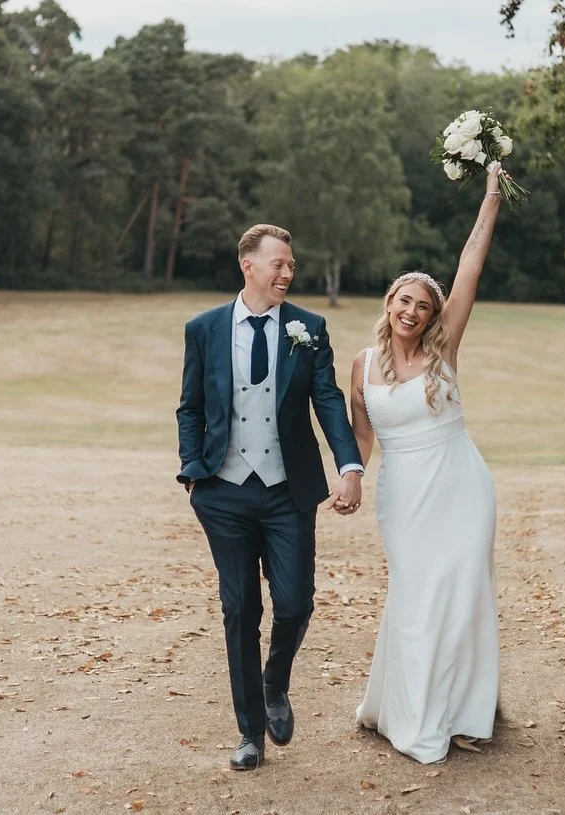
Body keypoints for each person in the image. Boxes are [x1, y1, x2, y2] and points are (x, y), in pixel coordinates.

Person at [176, 223, 365, 771]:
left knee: (296, 602)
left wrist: (348, 465)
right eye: (278, 264)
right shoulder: (205, 329)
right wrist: (193, 473)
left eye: (291, 265)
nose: (287, 273)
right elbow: (190, 406)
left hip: (287, 491)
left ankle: (275, 682)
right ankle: (250, 731)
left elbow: (328, 400)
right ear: (248, 265)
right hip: (223, 492)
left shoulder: (309, 327)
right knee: (239, 608)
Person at [351, 163, 507, 763]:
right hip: (404, 497)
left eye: (423, 305)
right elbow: (362, 439)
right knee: (416, 598)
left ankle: (467, 716)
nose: (412, 311)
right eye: (404, 300)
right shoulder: (363, 364)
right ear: (389, 302)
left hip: (462, 486)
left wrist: (490, 194)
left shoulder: (445, 349)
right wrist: (348, 480)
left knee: (464, 592)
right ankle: (407, 713)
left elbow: (470, 265)